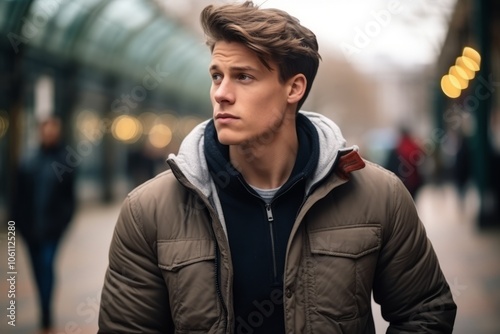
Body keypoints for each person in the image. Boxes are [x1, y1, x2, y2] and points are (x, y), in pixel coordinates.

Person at [98, 2, 456, 333]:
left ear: (294, 88)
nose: (221, 93)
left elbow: (425, 309)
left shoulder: (379, 196)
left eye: (243, 77)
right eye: (216, 76)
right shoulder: (150, 210)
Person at [12, 116, 76, 333]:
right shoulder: (28, 160)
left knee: (47, 266)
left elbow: (70, 199)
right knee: (37, 270)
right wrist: (17, 224)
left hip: (52, 230)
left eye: (53, 129)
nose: (49, 133)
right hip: (29, 229)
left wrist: (63, 223)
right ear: (40, 131)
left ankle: (46, 312)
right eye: (45, 129)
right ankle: (44, 304)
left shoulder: (65, 161)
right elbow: (17, 196)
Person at [385, 127, 425, 198]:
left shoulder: (398, 148)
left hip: (402, 181)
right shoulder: (414, 146)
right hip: (414, 181)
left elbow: (390, 166)